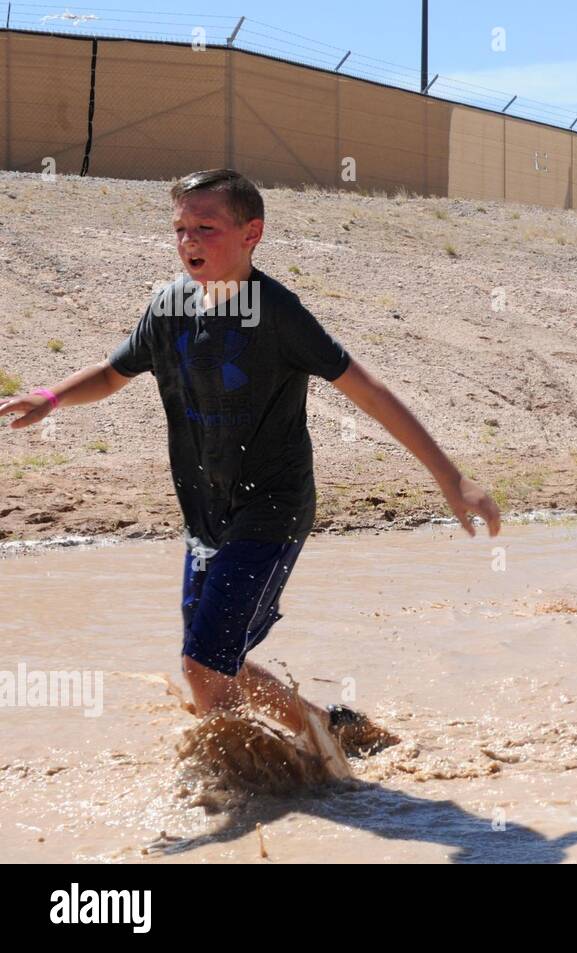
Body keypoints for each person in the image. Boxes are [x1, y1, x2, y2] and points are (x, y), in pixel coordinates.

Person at [0, 169, 501, 752]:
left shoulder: (277, 313)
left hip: (271, 511)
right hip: (205, 517)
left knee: (202, 668)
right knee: (218, 665)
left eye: (206, 228)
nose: (189, 241)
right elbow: (114, 374)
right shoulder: (167, 308)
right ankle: (332, 734)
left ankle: (260, 787)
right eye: (181, 228)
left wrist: (450, 476)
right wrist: (53, 396)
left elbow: (368, 392)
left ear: (251, 234)